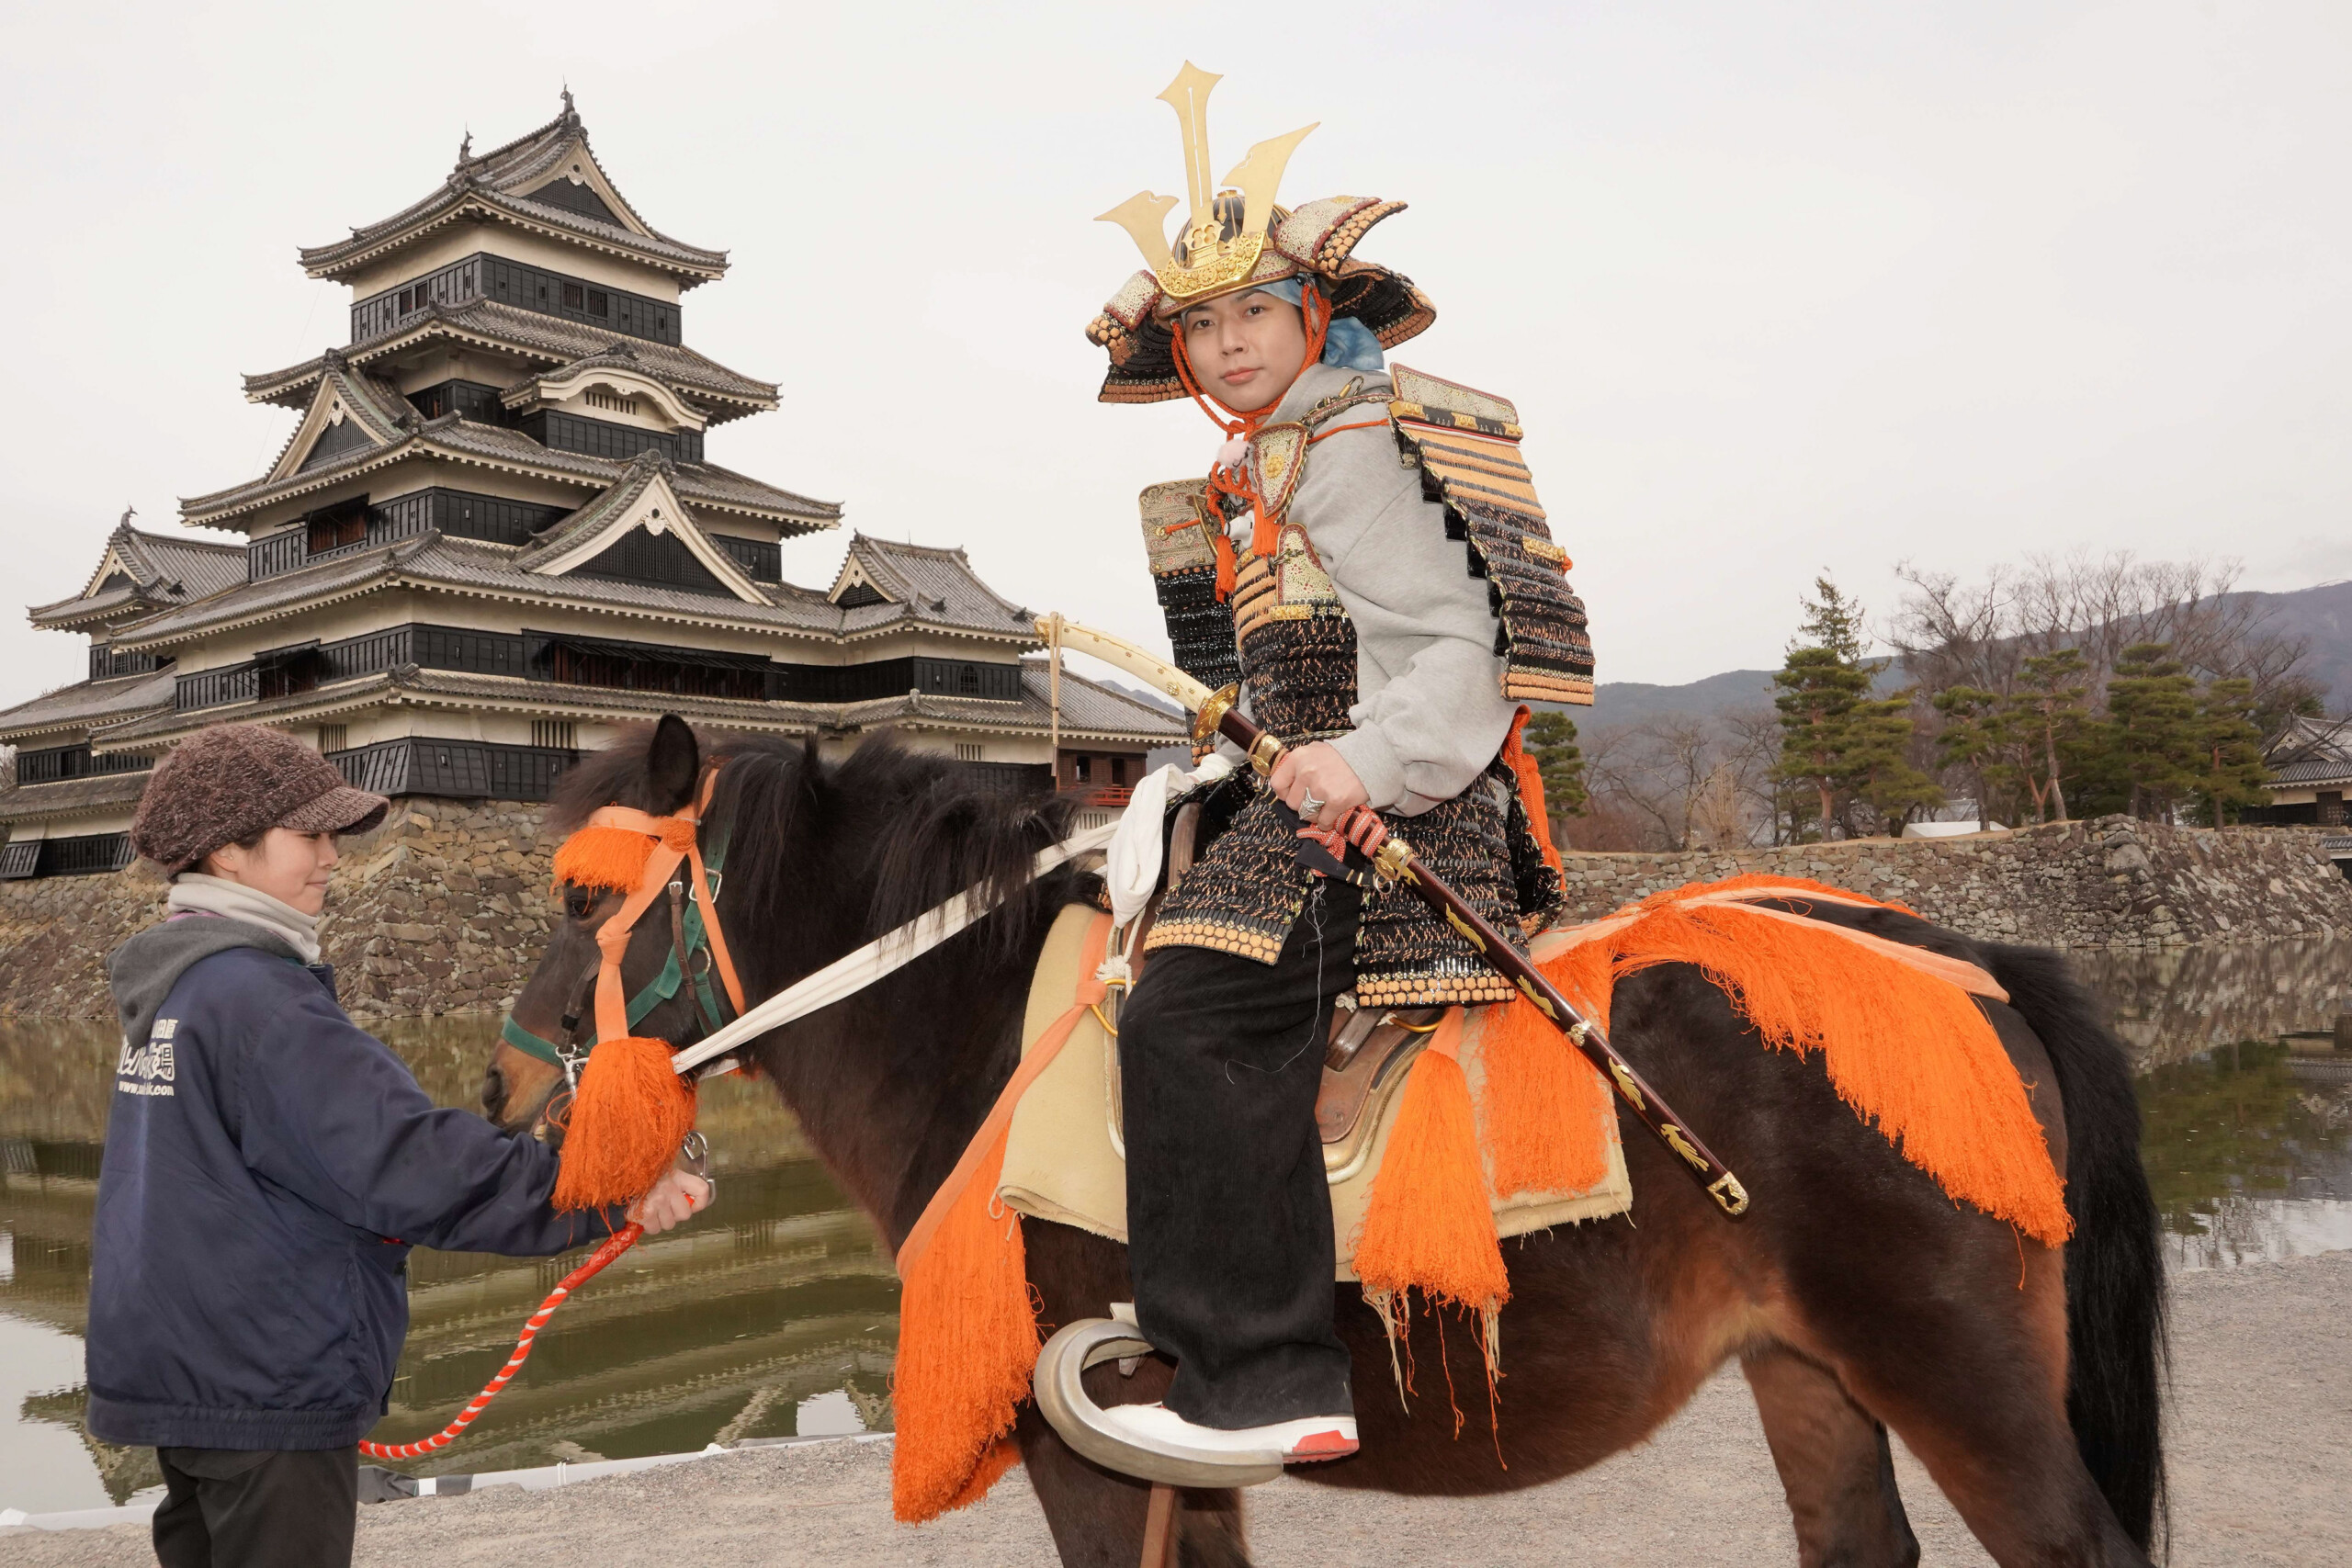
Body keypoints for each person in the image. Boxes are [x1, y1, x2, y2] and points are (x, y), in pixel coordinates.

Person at [1084, 67, 1592, 1461]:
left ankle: (1262, 1372)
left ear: (1315, 316)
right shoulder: (1260, 470)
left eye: (1255, 309)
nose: (1231, 341)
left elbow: (1468, 653)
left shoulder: (1363, 444)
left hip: (1398, 815)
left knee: (1190, 1009)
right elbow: (1266, 687)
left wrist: (1360, 761)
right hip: (1295, 798)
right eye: (1201, 323)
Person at [87, 723, 709, 1567]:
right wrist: (612, 1187)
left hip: (188, 1377)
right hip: (268, 1388)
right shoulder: (264, 1005)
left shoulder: (179, 991)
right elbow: (414, 1165)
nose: (332, 857)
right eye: (308, 835)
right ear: (227, 855)